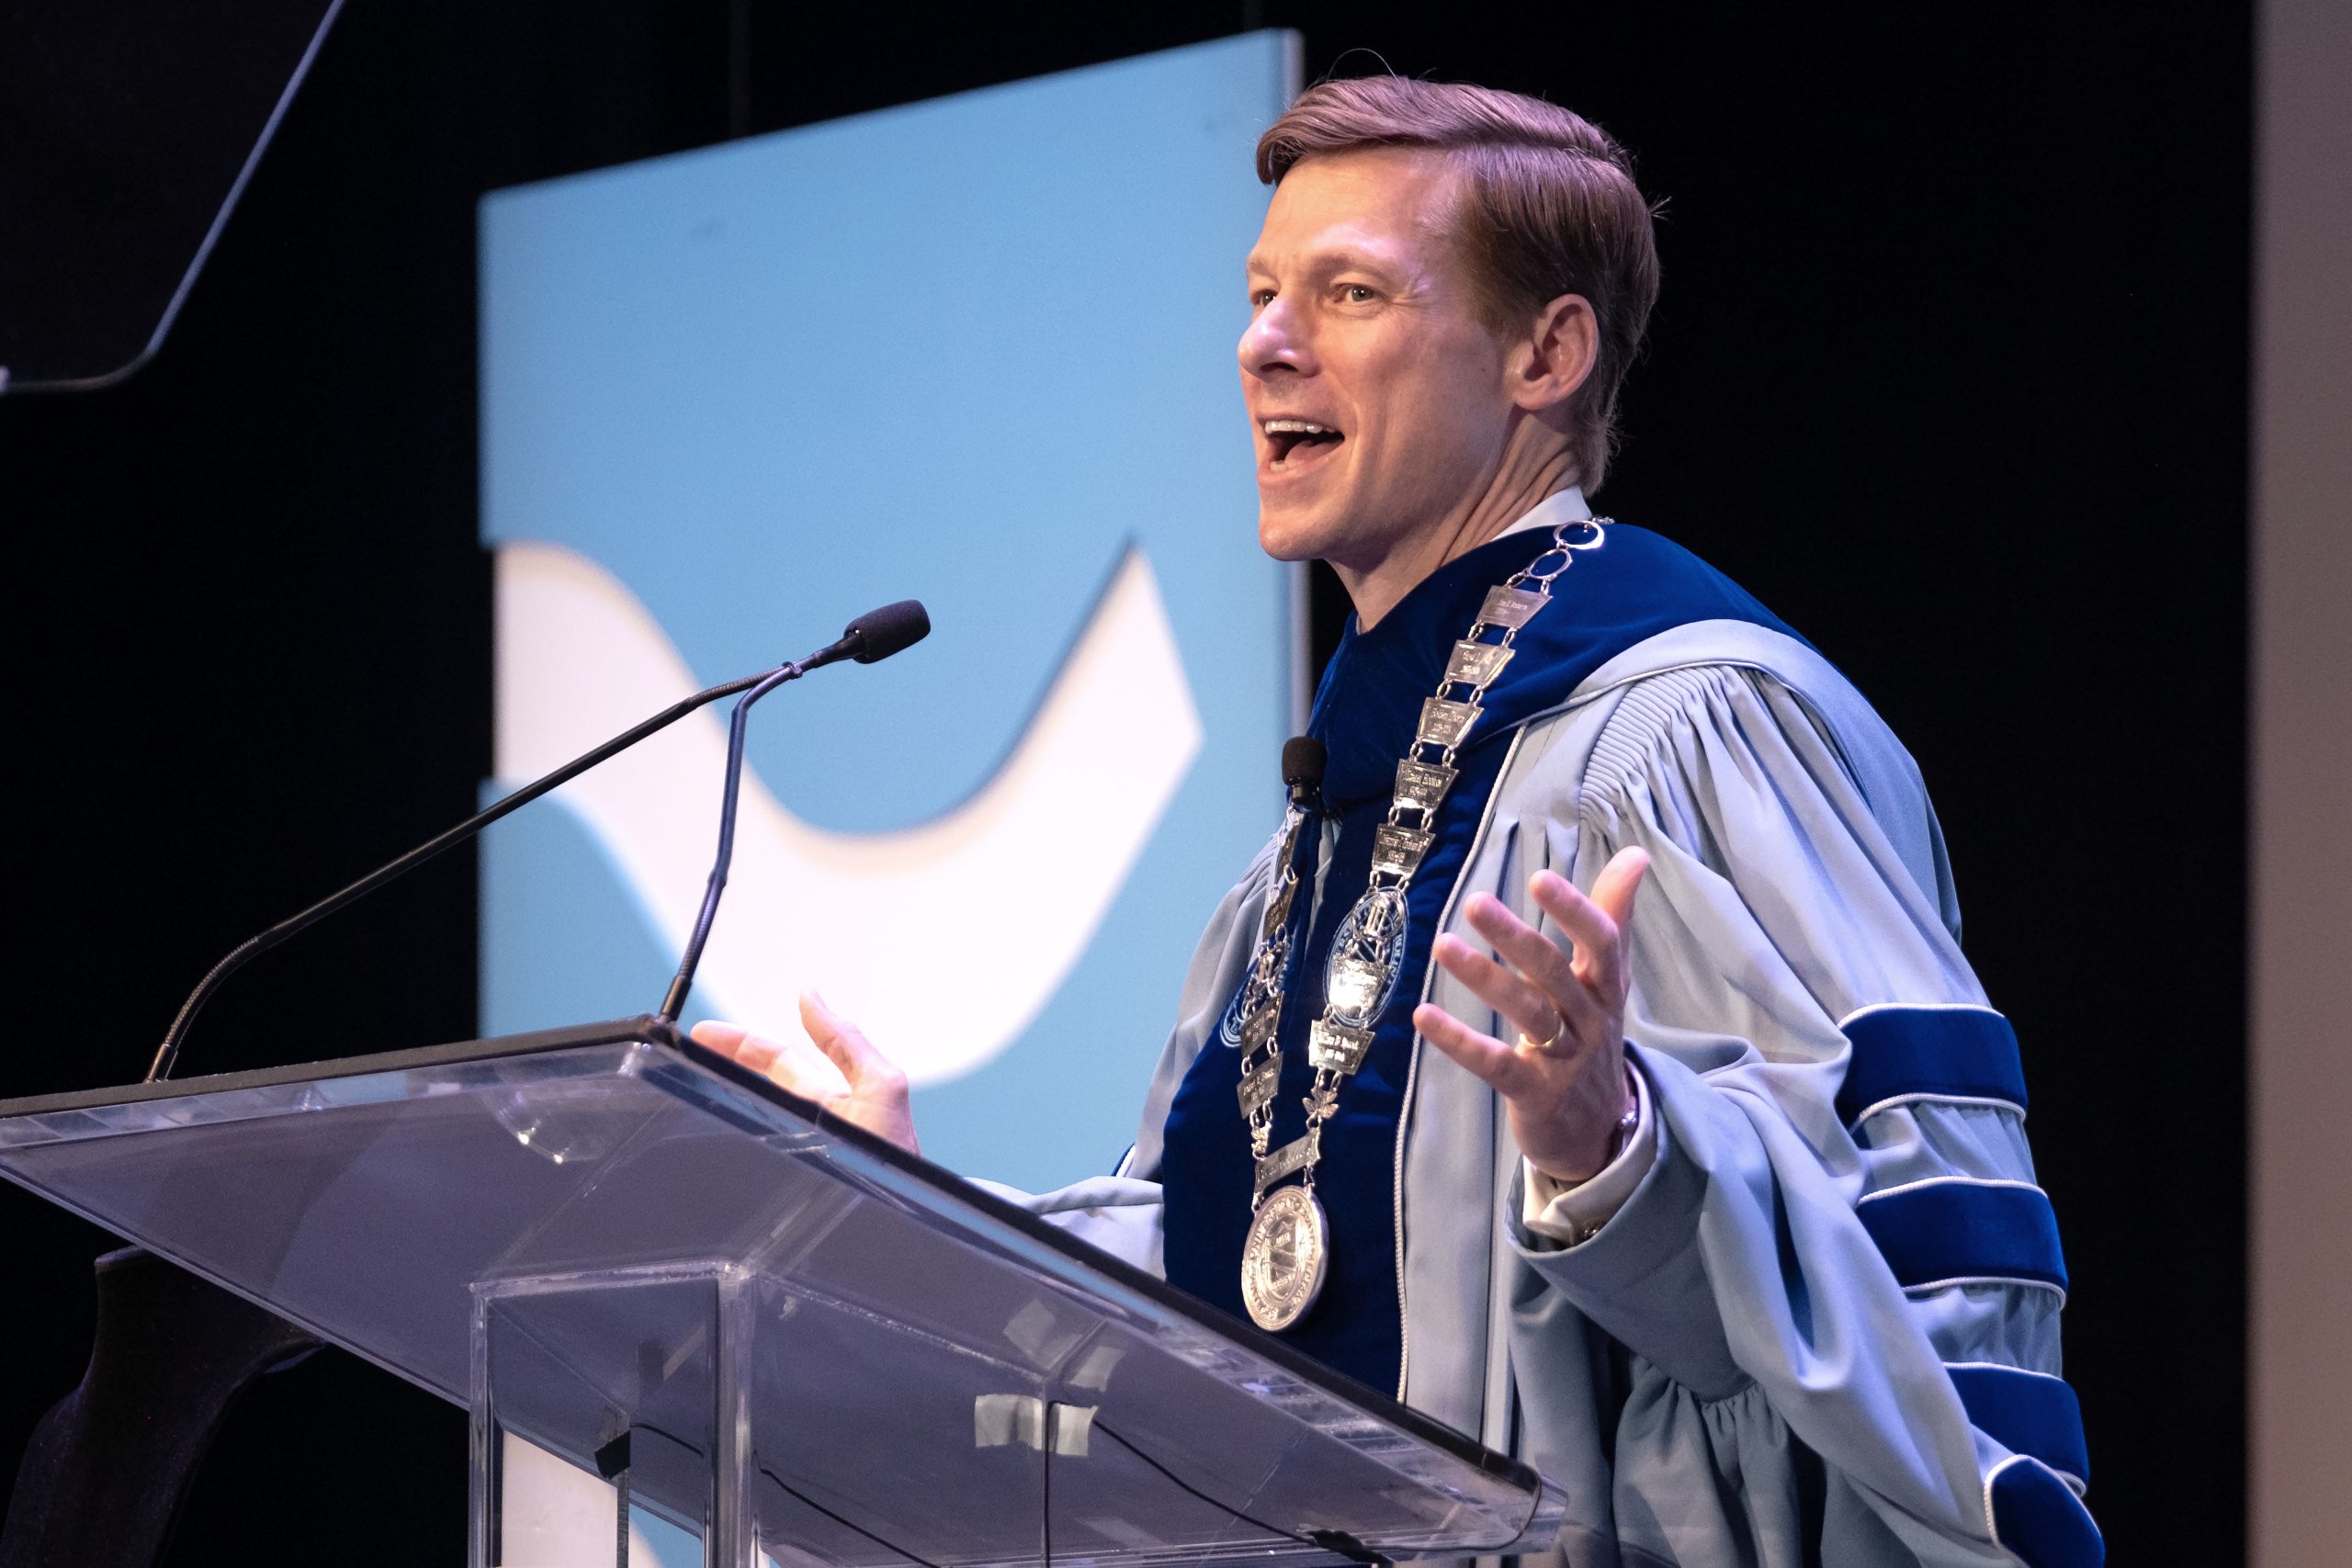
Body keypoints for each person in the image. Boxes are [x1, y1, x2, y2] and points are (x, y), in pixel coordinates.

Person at [695, 77, 2099, 1568]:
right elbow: (1219, 1305)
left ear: (1546, 352)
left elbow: (1921, 1264)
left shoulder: (1691, 732)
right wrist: (900, 1216)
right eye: (1259, 294)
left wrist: (1613, 1151)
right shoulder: (1299, 867)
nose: (1263, 344)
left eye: (1349, 290)